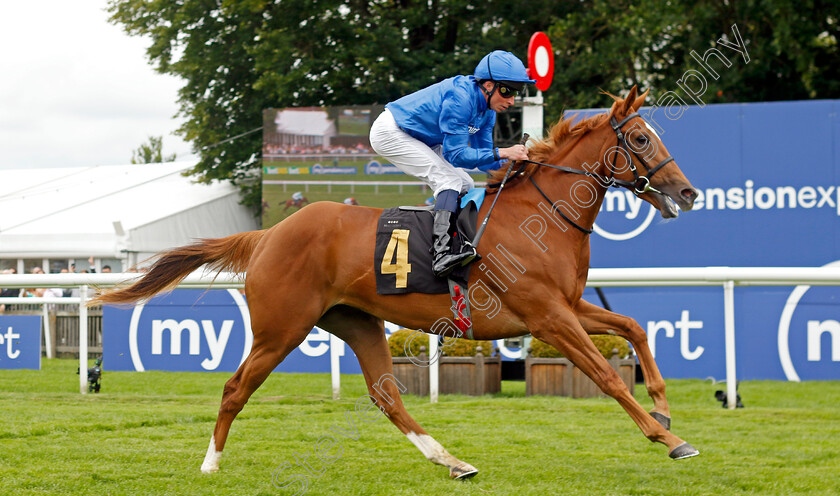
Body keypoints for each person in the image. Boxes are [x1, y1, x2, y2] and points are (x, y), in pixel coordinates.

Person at [369, 50, 535, 277]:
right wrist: (504, 151)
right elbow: (457, 155)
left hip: (424, 137)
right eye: (506, 91)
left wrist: (512, 166)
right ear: (487, 85)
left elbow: (485, 160)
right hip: (392, 131)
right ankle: (440, 253)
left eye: (516, 93)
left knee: (465, 182)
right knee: (448, 180)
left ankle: (454, 242)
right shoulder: (461, 98)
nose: (511, 100)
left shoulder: (488, 112)